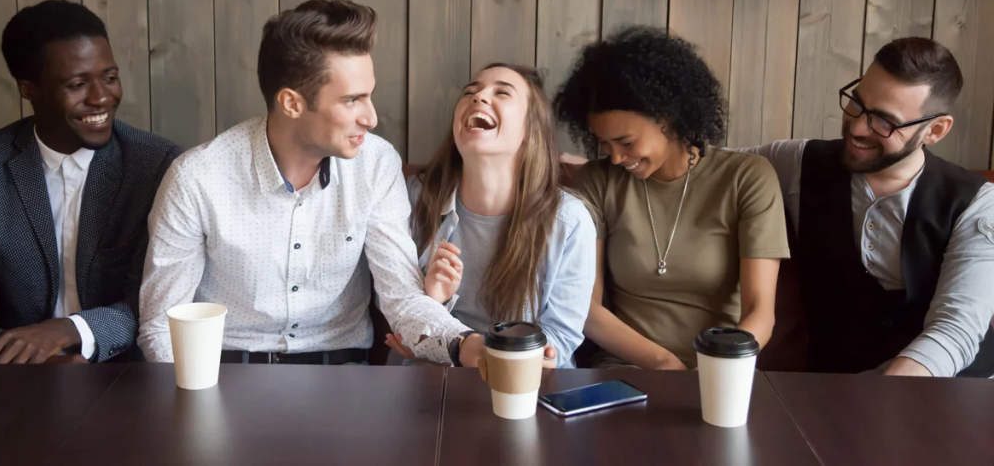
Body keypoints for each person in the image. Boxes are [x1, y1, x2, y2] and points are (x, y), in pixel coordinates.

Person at [139, 0, 485, 366]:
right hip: (227, 371)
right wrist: (194, 406)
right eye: (353, 100)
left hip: (342, 378)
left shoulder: (376, 164)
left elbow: (402, 298)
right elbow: (161, 326)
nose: (370, 117)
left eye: (369, 96)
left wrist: (463, 345)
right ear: (291, 103)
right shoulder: (197, 178)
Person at [742, 37, 994, 378]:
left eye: (884, 121)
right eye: (856, 104)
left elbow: (954, 330)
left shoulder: (978, 204)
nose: (858, 127)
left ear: (934, 130)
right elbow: (709, 168)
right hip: (827, 392)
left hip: (945, 393)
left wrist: (877, 399)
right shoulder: (796, 163)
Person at [552, 26, 789, 370]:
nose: (616, 157)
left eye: (626, 141)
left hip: (720, 369)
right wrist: (665, 365)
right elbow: (587, 309)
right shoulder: (597, 182)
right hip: (624, 368)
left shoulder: (747, 178)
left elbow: (760, 315)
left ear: (668, 120)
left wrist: (711, 373)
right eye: (604, 144)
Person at [0, 0, 182, 364]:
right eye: (77, 84)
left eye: (110, 77)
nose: (102, 97)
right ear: (28, 89)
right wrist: (35, 361)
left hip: (130, 376)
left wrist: (71, 331)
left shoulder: (158, 165)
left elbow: (157, 300)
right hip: (18, 379)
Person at [387, 64, 596, 368]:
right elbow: (402, 318)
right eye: (469, 92)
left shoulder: (569, 220)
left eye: (501, 92)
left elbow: (557, 342)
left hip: (524, 387)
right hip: (426, 383)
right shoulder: (415, 197)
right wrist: (435, 304)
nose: (478, 96)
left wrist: (450, 349)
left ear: (529, 130)